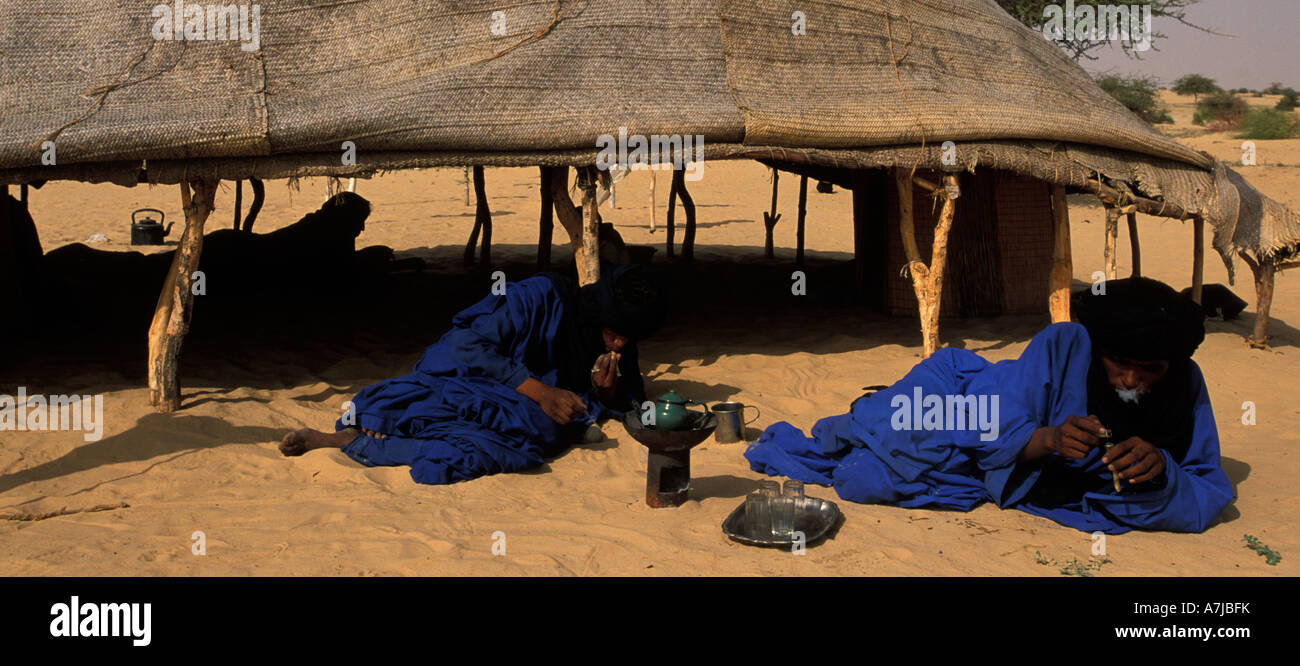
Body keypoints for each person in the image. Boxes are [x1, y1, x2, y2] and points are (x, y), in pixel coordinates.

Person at [745, 277, 1233, 533]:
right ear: (1100, 349)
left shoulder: (1185, 386)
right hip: (969, 392)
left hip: (994, 424)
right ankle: (864, 413)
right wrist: (1046, 440)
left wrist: (1163, 471)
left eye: (1150, 369)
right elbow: (993, 414)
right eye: (1119, 362)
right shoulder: (1065, 345)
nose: (1131, 378)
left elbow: (1205, 486)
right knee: (885, 430)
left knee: (867, 480)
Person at [279, 263, 666, 485]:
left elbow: (628, 398)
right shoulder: (542, 296)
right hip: (469, 374)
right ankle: (353, 432)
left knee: (522, 441)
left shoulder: (620, 343)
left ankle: (352, 441)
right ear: (600, 310)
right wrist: (540, 392)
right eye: (613, 333)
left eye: (625, 339)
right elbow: (467, 345)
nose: (617, 345)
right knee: (518, 419)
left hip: (516, 404)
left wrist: (605, 392)